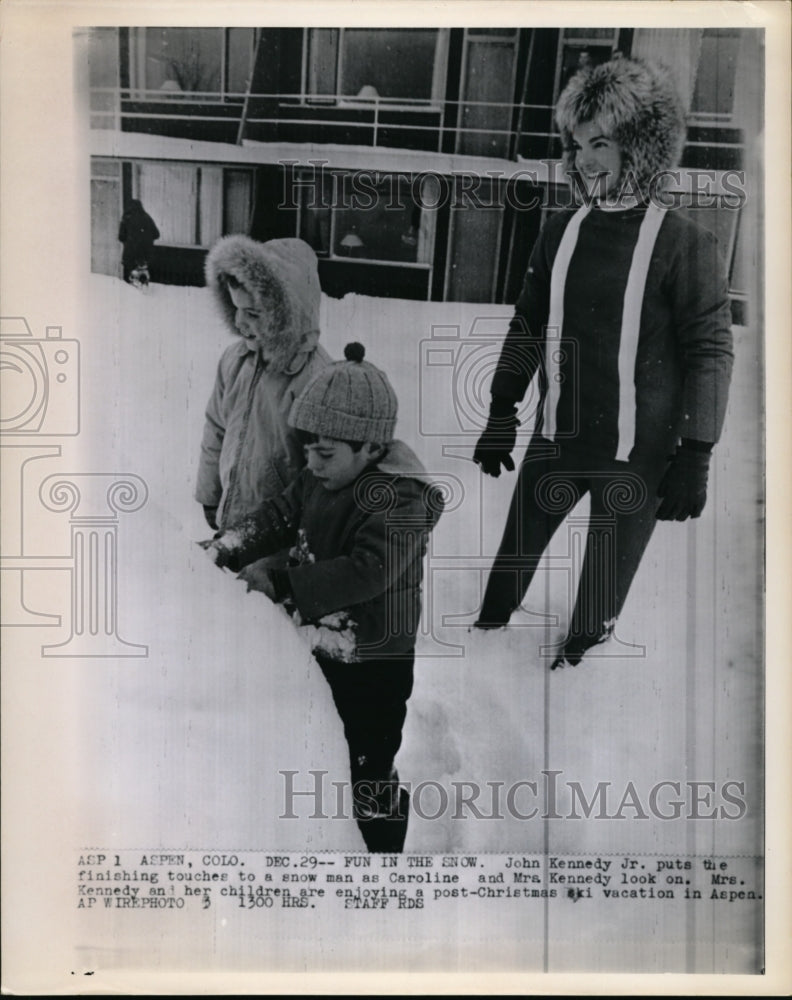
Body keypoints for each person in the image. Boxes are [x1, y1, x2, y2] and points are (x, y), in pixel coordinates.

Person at [472, 56, 734, 670]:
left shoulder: (686, 245)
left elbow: (710, 351)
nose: (586, 159)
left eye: (602, 143)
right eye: (578, 144)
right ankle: (476, 684)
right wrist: (502, 409)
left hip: (637, 461)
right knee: (497, 599)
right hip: (555, 443)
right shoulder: (559, 231)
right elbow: (528, 325)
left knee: (591, 623)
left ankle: (573, 694)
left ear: (640, 147)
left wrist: (696, 451)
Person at [202, 343, 444, 852]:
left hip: (374, 660)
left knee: (367, 771)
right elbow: (276, 517)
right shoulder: (318, 477)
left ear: (371, 448)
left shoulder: (401, 498)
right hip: (324, 642)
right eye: (308, 446)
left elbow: (369, 571)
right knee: (324, 754)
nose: (311, 461)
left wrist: (284, 585)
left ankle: (381, 858)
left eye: (325, 451)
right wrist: (226, 548)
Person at [195, 235, 330, 590]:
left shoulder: (316, 379)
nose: (240, 323)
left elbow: (323, 474)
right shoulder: (234, 361)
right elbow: (216, 429)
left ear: (287, 314)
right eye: (235, 308)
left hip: (280, 542)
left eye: (253, 313)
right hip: (232, 523)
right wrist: (210, 495)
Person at [118, 199, 160, 285]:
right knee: (142, 275)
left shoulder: (126, 218)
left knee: (128, 281)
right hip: (145, 254)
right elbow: (156, 234)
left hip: (131, 254)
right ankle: (144, 288)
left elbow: (121, 237)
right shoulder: (147, 217)